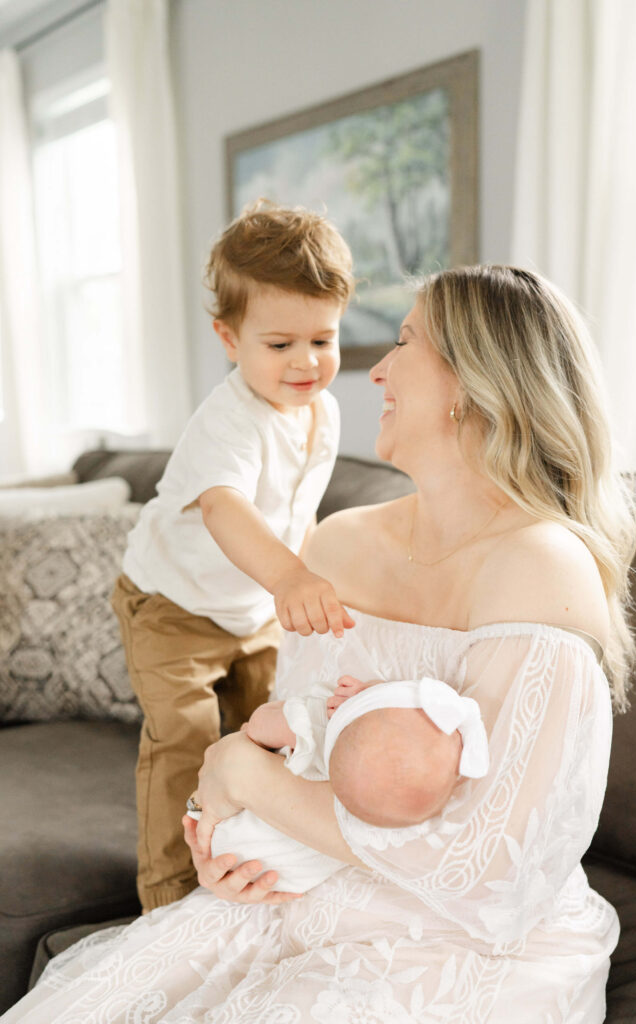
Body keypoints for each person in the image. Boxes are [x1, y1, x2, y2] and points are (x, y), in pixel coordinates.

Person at [4, 266, 636, 1023]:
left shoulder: (541, 562)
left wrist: (240, 769)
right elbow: (297, 740)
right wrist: (222, 834)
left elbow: (491, 870)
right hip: (292, 892)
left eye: (405, 341)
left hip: (461, 942)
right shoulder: (336, 546)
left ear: (475, 383)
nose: (375, 368)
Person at [110, 200, 356, 913]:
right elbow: (228, 508)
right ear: (229, 337)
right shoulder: (228, 420)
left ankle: (248, 862)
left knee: (266, 741)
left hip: (252, 614)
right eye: (279, 344)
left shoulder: (323, 412)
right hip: (172, 606)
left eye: (323, 339)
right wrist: (290, 577)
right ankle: (167, 894)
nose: (306, 362)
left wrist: (307, 582)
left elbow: (297, 511)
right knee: (187, 737)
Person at [186, 670, 490, 892]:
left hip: (232, 837)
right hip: (295, 878)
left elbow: (257, 727)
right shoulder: (376, 803)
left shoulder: (312, 726)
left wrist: (302, 715)